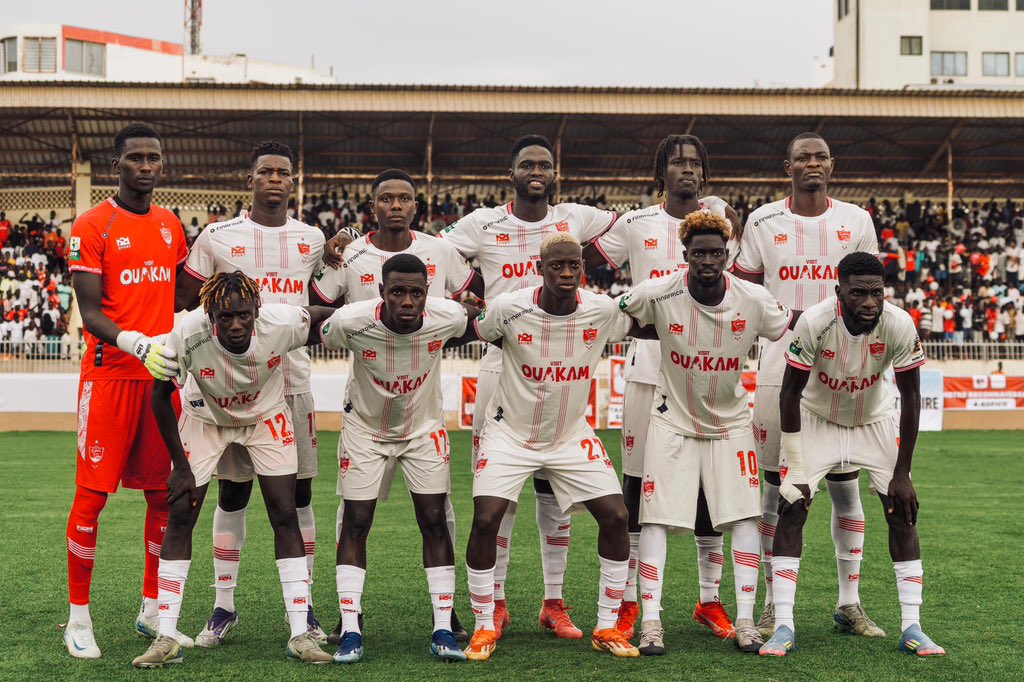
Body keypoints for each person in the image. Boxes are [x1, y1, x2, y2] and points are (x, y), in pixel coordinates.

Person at [441, 135, 618, 640]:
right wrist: (464, 297)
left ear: (555, 174)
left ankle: (553, 601)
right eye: (527, 164)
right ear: (511, 172)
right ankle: (493, 602)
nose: (536, 171)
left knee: (553, 493)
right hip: (504, 363)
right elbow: (435, 251)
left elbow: (635, 222)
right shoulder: (481, 223)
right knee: (502, 496)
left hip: (560, 360)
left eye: (544, 164)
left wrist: (713, 207)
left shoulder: (576, 218)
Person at [312, 168, 484, 644]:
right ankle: (350, 619)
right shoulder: (352, 258)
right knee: (354, 517)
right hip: (365, 407)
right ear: (372, 207)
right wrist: (328, 261)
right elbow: (319, 310)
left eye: (403, 198)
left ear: (415, 206)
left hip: (422, 411)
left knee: (437, 515)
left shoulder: (441, 253)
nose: (394, 205)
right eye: (385, 198)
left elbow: (476, 307)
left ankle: (445, 619)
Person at [584, 134, 744, 641]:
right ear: (661, 173)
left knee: (709, 489)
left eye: (696, 163)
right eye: (677, 163)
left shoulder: (722, 225)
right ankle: (630, 603)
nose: (687, 171)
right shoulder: (634, 224)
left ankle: (710, 601)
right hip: (649, 369)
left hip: (710, 372)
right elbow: (584, 264)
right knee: (635, 485)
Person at [133, 271, 335, 667]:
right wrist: (179, 466)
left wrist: (370, 315)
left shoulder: (281, 322)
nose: (236, 324)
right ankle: (166, 636)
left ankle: (299, 634)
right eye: (225, 317)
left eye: (244, 314)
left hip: (265, 418)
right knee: (180, 514)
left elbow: (325, 318)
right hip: (205, 419)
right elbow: (158, 394)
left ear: (257, 310)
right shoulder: (187, 331)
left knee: (284, 512)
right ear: (210, 316)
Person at [617, 210, 794, 655]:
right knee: (655, 518)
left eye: (717, 252)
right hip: (671, 422)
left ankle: (747, 621)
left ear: (729, 254)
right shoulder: (659, 292)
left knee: (744, 518)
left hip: (731, 425)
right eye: (699, 253)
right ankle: (651, 622)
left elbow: (788, 324)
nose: (708, 260)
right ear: (685, 255)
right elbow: (619, 315)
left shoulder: (753, 298)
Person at [173, 141, 328, 646]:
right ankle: (223, 606)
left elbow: (325, 303)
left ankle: (304, 609)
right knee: (233, 493)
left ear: (293, 181)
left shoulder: (313, 238)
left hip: (292, 383)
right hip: (225, 386)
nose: (276, 180)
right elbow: (186, 300)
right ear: (251, 180)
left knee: (297, 497)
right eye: (267, 172)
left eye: (284, 172)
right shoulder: (218, 236)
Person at [733, 132, 882, 639]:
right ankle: (776, 606)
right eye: (803, 157)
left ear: (832, 166)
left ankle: (850, 603)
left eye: (819, 156)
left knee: (845, 489)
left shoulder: (856, 221)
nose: (812, 163)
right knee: (777, 494)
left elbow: (872, 296)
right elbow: (742, 290)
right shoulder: (762, 221)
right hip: (780, 374)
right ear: (788, 167)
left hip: (844, 374)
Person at [463, 233, 638, 661]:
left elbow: (646, 317)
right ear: (540, 268)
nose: (565, 273)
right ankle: (485, 624)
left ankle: (607, 625)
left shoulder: (601, 310)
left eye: (573, 266)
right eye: (556, 265)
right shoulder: (510, 308)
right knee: (486, 519)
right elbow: (483, 331)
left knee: (616, 516)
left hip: (570, 435)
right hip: (509, 433)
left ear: (584, 268)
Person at [760, 252, 944, 658]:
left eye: (876, 293)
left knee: (901, 509)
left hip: (873, 422)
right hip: (818, 419)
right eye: (858, 293)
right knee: (791, 506)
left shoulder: (898, 323)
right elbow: (789, 394)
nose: (869, 303)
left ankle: (912, 626)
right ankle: (784, 625)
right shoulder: (814, 321)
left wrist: (903, 472)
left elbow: (911, 400)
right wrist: (797, 466)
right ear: (838, 290)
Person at [63, 123, 190, 659]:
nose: (145, 165)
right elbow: (90, 313)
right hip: (111, 376)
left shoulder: (169, 225)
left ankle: (152, 611)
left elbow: (188, 291)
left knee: (163, 496)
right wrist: (133, 341)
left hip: (161, 380)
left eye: (153, 158)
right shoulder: (92, 224)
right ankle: (78, 618)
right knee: (92, 497)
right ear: (118, 165)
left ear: (162, 165)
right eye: (135, 157)